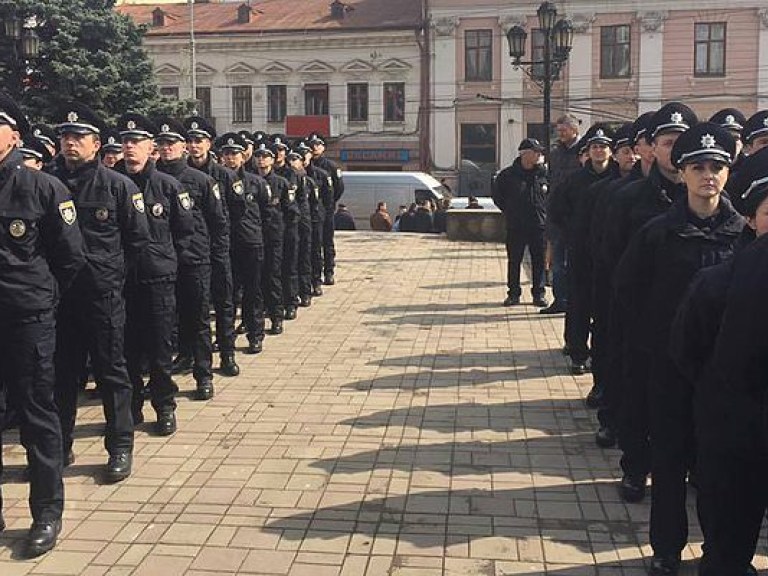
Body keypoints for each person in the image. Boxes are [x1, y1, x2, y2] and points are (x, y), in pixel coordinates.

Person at [614, 122, 744, 576]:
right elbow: (627, 292)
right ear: (683, 172)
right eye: (698, 167)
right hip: (668, 368)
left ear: (727, 174)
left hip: (722, 373)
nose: (708, 175)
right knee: (668, 461)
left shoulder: (743, 236)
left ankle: (718, 547)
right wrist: (655, 346)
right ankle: (666, 548)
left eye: (716, 167)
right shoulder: (657, 234)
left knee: (717, 467)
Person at [669, 147, 768, 576]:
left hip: (730, 428)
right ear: (751, 219)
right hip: (735, 431)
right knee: (728, 548)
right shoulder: (719, 282)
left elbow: (686, 354)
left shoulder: (719, 278)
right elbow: (689, 349)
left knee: (726, 550)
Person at [0, 94, 85, 557]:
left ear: (15, 135)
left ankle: (46, 512)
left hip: (27, 317)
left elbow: (70, 258)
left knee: (37, 416)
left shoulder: (41, 189)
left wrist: (40, 297)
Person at [50, 102, 151, 484]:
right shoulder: (48, 183)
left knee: (111, 373)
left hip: (103, 295)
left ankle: (120, 446)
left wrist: (112, 278)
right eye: (65, 137)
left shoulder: (116, 185)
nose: (70, 143)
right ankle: (59, 445)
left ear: (96, 144)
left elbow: (137, 241)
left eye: (79, 137)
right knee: (61, 375)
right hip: (60, 297)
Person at [604, 102, 698, 504]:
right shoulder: (629, 200)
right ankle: (636, 468)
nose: (674, 149)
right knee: (639, 401)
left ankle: (689, 468)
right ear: (651, 148)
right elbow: (610, 261)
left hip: (697, 326)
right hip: (643, 322)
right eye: (667, 141)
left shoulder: (706, 199)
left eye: (681, 143)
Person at [116, 113, 196, 437]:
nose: (130, 147)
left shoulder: (168, 186)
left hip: (158, 278)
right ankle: (132, 405)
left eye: (137, 142)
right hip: (121, 280)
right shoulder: (113, 183)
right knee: (127, 348)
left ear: (151, 149)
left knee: (161, 349)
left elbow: (184, 231)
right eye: (126, 142)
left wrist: (166, 262)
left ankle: (164, 406)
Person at [155, 118, 225, 401]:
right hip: (160, 263)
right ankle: (173, 368)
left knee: (197, 320)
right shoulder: (148, 178)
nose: (166, 148)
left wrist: (216, 261)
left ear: (183, 147)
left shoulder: (201, 181)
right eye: (162, 144)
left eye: (171, 143)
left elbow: (218, 223)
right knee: (164, 323)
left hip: (194, 261)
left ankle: (203, 374)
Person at [549, 123, 618, 375]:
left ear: (610, 151)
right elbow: (556, 209)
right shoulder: (575, 181)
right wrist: (573, 231)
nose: (599, 151)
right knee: (579, 303)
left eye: (604, 147)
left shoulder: (618, 179)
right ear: (588, 152)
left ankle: (601, 356)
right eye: (595, 147)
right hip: (581, 251)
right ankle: (578, 352)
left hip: (609, 253)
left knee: (604, 306)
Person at [184, 116, 240, 378]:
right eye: (190, 141)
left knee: (224, 301)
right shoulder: (181, 174)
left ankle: (227, 352)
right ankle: (191, 355)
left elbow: (236, 212)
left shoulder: (224, 176)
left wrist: (223, 244)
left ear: (208, 144)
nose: (194, 146)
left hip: (218, 249)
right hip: (193, 251)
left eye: (199, 141)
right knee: (195, 307)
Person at [216, 132, 271, 354]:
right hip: (225, 245)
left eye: (235, 154)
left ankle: (255, 334)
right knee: (226, 295)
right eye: (227, 154)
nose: (230, 158)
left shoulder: (255, 182)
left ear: (243, 156)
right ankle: (225, 337)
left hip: (250, 243)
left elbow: (268, 215)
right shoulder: (215, 181)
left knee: (252, 292)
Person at [492, 137, 548, 307]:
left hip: (538, 225)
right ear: (525, 154)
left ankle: (538, 294)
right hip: (516, 225)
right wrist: (510, 211)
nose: (539, 155)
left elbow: (550, 195)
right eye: (535, 152)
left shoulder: (543, 173)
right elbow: (498, 196)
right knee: (514, 260)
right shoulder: (507, 175)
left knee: (538, 261)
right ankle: (513, 294)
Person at [541, 114, 581, 315]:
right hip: (558, 216)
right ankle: (559, 300)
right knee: (557, 263)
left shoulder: (584, 152)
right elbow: (551, 183)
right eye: (559, 130)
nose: (561, 133)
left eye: (564, 130)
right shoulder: (555, 154)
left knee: (578, 263)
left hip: (578, 216)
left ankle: (576, 300)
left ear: (575, 130)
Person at [308, 132, 343, 285]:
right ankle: (315, 273)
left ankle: (329, 271)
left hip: (326, 211)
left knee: (327, 242)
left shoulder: (331, 166)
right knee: (313, 244)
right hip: (310, 212)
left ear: (324, 148)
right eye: (312, 145)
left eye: (318, 145)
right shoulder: (306, 166)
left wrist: (328, 204)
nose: (315, 148)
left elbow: (339, 188)